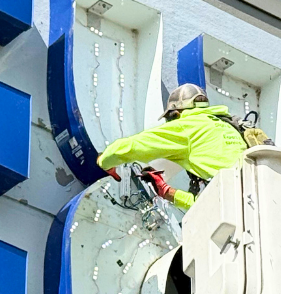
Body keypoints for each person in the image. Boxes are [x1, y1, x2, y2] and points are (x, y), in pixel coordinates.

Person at [96, 83, 248, 210]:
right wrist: (166, 191)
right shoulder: (229, 127)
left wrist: (104, 162)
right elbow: (212, 205)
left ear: (176, 113)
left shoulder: (186, 127)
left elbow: (129, 148)